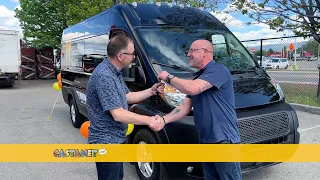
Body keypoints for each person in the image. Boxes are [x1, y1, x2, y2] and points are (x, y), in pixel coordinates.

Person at [158, 39, 242, 180]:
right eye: (189, 50)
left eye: (193, 50)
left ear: (206, 52)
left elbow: (193, 88)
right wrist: (163, 119)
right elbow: (183, 108)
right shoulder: (199, 77)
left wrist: (168, 76)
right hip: (206, 142)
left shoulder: (218, 70)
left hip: (223, 142)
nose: (188, 54)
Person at [86, 35, 165, 180]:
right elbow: (118, 114)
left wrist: (151, 91)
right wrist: (149, 120)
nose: (134, 57)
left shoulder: (114, 72)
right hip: (107, 143)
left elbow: (127, 97)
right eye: (132, 53)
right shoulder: (104, 76)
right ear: (120, 56)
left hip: (115, 139)